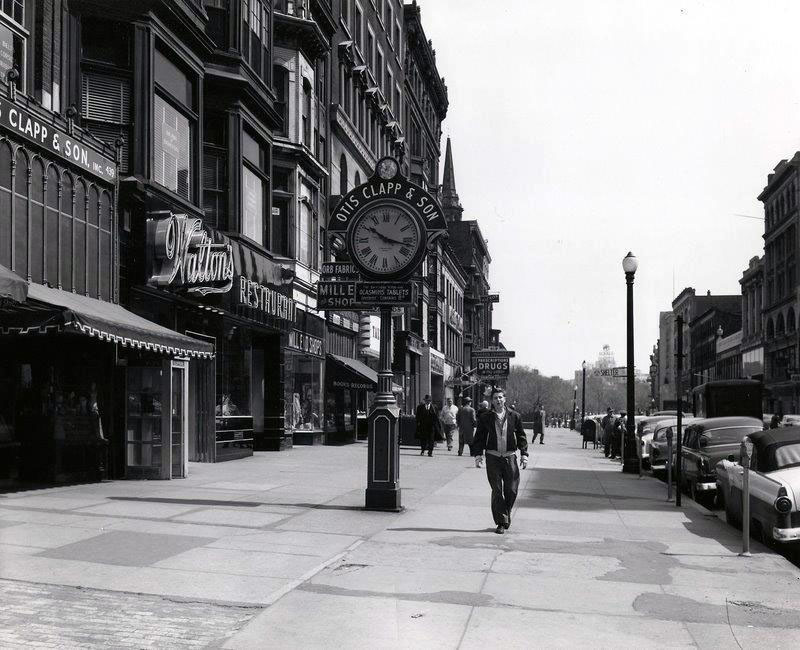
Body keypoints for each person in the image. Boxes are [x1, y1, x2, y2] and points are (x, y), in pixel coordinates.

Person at [473, 387, 529, 534]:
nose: (498, 400)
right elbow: (479, 437)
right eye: (495, 398)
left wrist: (524, 454)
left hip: (510, 457)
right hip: (493, 457)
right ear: (492, 401)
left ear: (505, 399)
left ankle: (505, 515)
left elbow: (522, 436)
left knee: (511, 489)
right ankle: (501, 522)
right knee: (497, 490)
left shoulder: (514, 416)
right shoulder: (485, 417)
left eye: (500, 398)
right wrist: (478, 455)